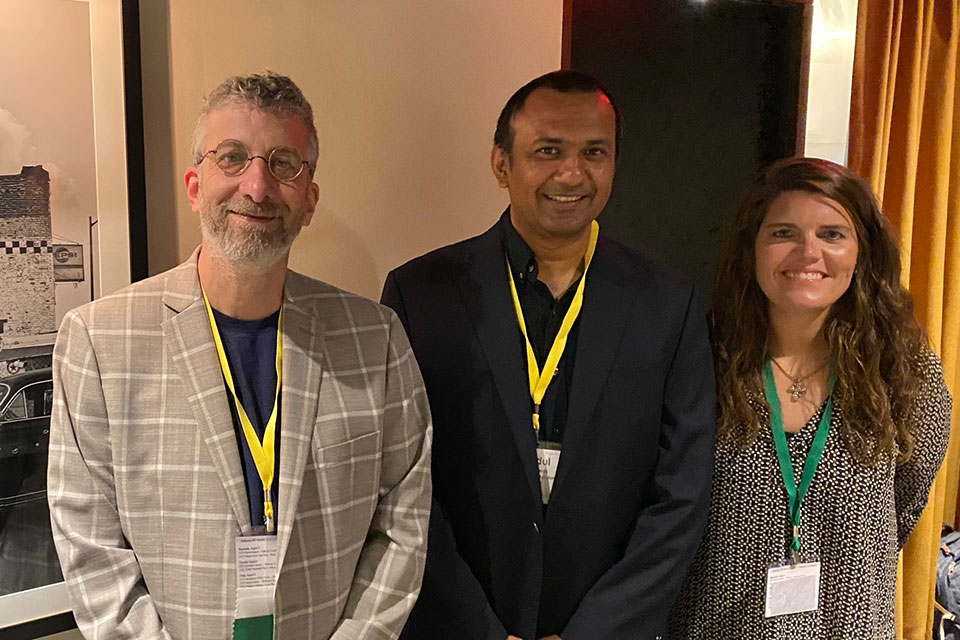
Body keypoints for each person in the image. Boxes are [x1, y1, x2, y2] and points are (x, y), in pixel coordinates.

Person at [48, 72, 432, 639]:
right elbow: (89, 543)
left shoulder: (375, 338)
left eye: (283, 163)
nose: (257, 186)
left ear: (309, 201)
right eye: (232, 157)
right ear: (195, 185)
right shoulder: (99, 341)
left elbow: (405, 523)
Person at [381, 70, 716, 640]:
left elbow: (683, 491)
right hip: (458, 624)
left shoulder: (667, 302)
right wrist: (475, 628)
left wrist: (598, 630)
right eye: (548, 150)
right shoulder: (421, 294)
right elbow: (399, 482)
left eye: (594, 152)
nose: (572, 173)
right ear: (501, 163)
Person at [669, 157, 952, 639]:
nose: (808, 253)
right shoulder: (697, 358)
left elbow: (901, 510)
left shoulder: (904, 371)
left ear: (862, 251)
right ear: (751, 249)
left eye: (832, 235)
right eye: (783, 233)